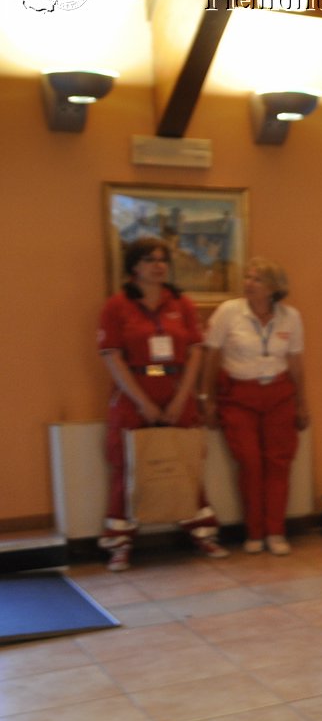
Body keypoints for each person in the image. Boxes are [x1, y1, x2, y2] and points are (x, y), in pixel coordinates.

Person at [96, 237, 227, 570]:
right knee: (128, 468)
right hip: (134, 396)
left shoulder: (181, 303)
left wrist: (183, 396)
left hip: (177, 392)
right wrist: (143, 404)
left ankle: (202, 534)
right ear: (133, 267)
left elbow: (196, 351)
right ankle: (121, 543)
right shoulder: (116, 306)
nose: (158, 265)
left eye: (163, 259)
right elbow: (112, 357)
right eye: (149, 259)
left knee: (187, 463)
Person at [200, 258, 307, 556]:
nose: (249, 283)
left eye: (257, 279)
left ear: (274, 288)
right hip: (238, 396)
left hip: (280, 395)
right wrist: (205, 399)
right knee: (249, 462)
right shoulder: (228, 312)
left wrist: (302, 403)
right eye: (247, 278)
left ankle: (275, 530)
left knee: (279, 463)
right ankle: (254, 531)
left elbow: (296, 363)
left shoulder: (291, 317)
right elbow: (211, 355)